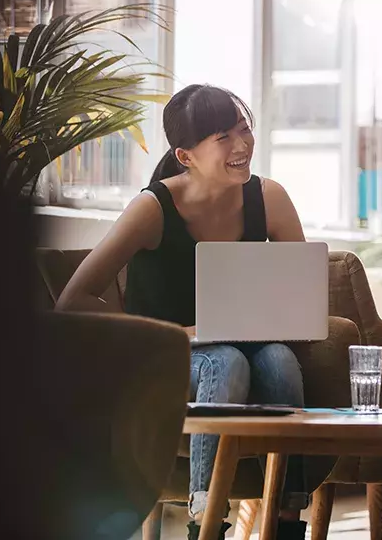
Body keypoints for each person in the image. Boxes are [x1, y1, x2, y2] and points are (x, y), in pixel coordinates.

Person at [56, 84, 309, 540]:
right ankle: (205, 521)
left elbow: (302, 290)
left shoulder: (269, 198)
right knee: (223, 360)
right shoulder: (152, 207)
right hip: (166, 357)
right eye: (223, 137)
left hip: (246, 343)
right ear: (186, 155)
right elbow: (72, 300)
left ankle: (287, 518)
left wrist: (283, 318)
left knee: (280, 360)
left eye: (244, 129)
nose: (242, 145)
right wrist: (181, 331)